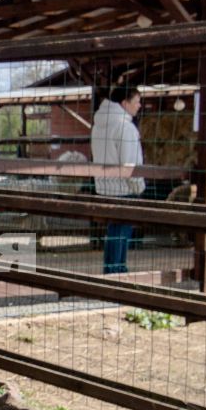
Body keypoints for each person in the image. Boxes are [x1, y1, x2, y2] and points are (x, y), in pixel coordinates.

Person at [90, 83, 144, 275]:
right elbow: (130, 163)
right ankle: (117, 270)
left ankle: (112, 268)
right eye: (136, 102)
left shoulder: (99, 126)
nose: (139, 106)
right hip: (123, 187)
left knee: (113, 232)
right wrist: (138, 186)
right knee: (121, 233)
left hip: (104, 186)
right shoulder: (124, 127)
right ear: (124, 102)